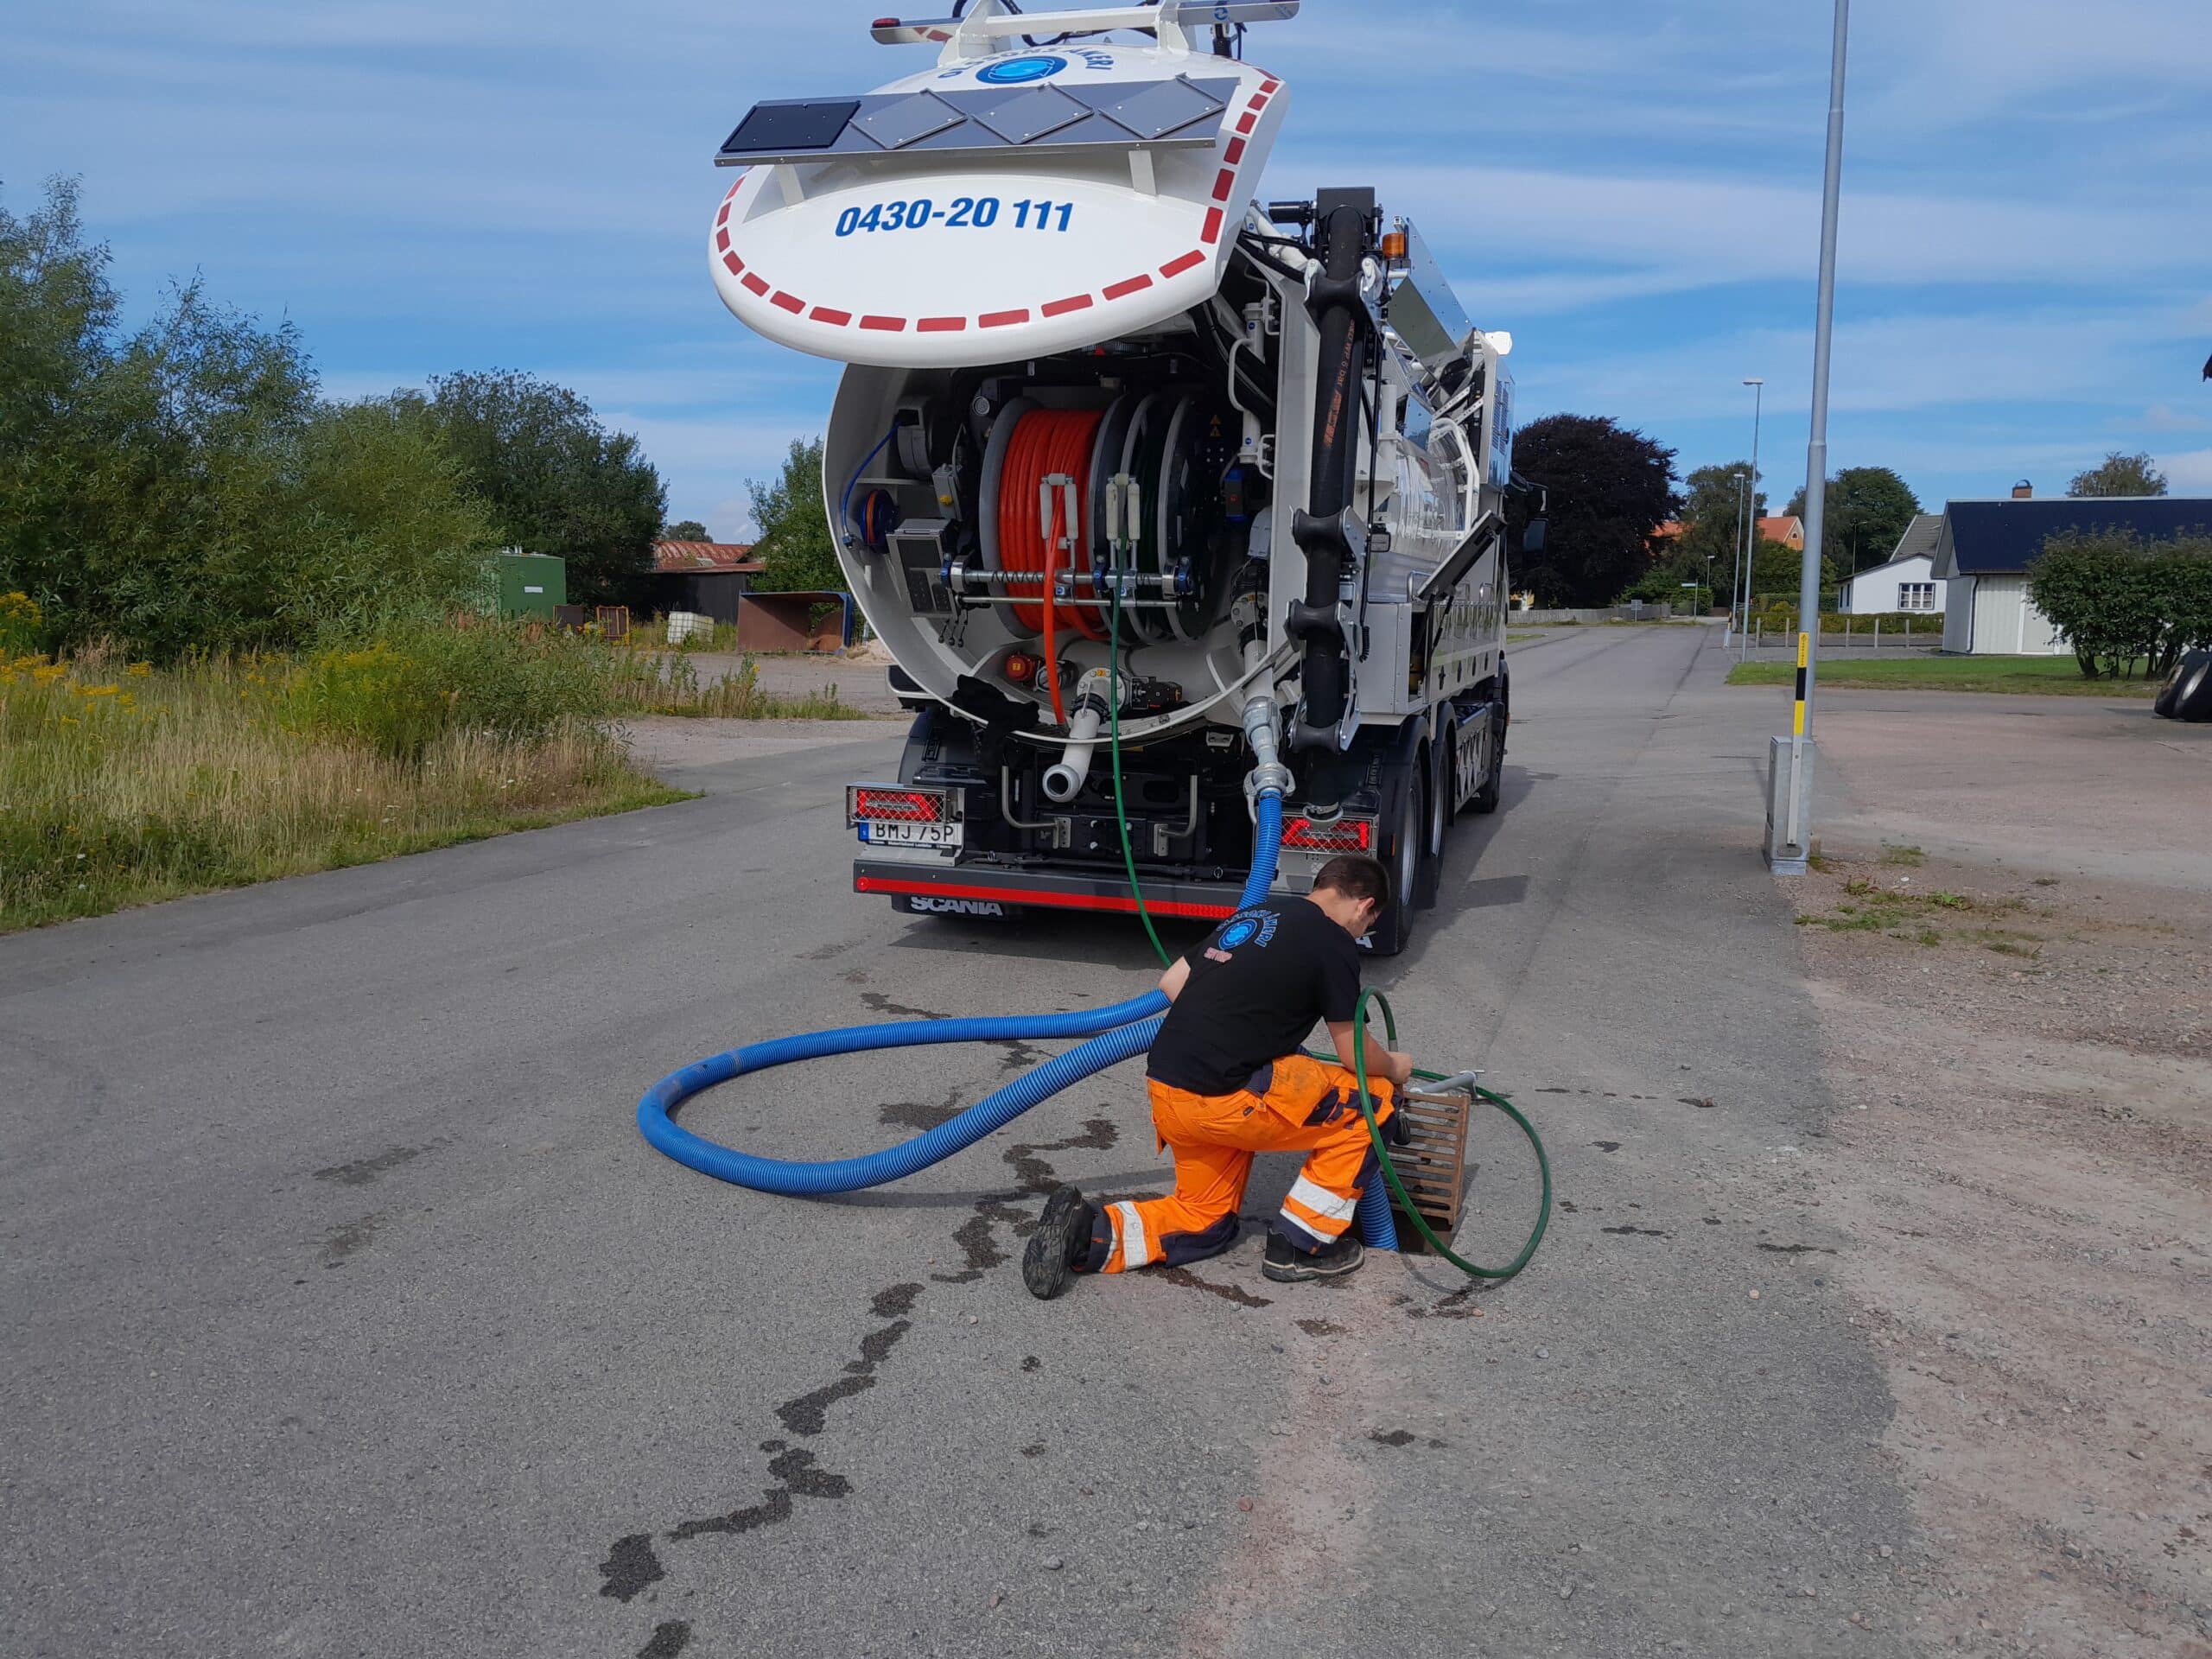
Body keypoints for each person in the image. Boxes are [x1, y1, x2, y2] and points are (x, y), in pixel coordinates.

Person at [1023, 852, 1414, 1298]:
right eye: (1369, 924)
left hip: (1170, 1092)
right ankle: (1301, 1244)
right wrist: (1396, 1066)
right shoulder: (1333, 940)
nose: (1362, 933)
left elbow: (1172, 984)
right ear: (1365, 906)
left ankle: (1086, 1234)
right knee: (1376, 1098)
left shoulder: (1256, 913)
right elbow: (1354, 1056)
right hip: (1226, 1098)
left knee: (1204, 1222)